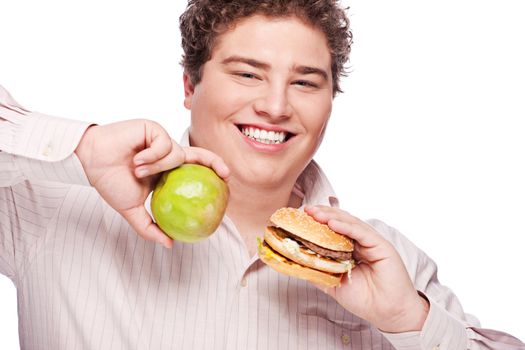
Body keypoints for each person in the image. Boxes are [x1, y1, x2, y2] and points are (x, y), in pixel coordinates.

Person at [0, 0, 523, 349]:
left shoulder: (386, 262)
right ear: (189, 85)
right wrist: (82, 147)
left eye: (305, 82)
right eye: (248, 73)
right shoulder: (52, 205)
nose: (275, 106)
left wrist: (410, 321)